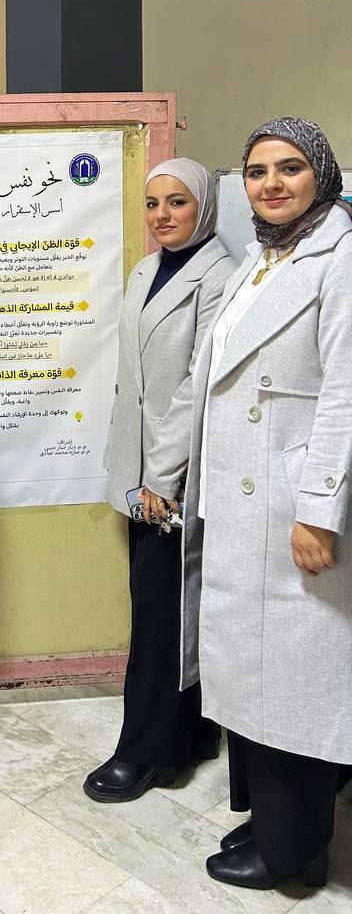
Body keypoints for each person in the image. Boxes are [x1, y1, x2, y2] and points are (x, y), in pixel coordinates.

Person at [178, 118, 352, 891]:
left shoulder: (341, 256)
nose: (272, 184)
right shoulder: (262, 254)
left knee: (297, 681)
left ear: (322, 175)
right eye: (257, 171)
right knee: (256, 673)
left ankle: (294, 853)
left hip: (292, 507)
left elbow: (345, 393)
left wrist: (318, 509)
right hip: (242, 497)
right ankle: (273, 823)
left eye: (289, 168)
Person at [84, 159, 235, 804]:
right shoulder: (147, 271)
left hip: (174, 476)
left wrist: (163, 479)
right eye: (152, 203)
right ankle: (191, 734)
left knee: (162, 612)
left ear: (204, 205)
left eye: (177, 202)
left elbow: (198, 388)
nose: (162, 215)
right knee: (169, 602)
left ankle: (145, 751)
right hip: (140, 468)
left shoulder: (222, 277)